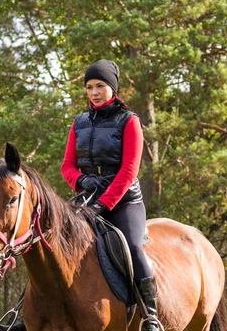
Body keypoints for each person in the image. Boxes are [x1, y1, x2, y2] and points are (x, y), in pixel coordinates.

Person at [60, 59, 160, 331]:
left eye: (100, 86)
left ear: (112, 89)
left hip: (124, 201)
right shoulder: (78, 122)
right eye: (89, 87)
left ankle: (150, 313)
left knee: (133, 245)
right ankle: (30, 310)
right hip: (88, 198)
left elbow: (128, 171)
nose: (94, 92)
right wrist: (82, 180)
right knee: (53, 242)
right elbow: (67, 166)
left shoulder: (129, 121)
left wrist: (104, 204)